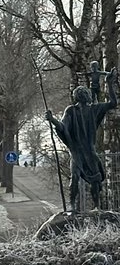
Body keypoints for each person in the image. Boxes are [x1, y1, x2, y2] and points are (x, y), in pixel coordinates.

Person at [46, 69, 115, 209]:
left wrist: (109, 82)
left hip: (89, 151)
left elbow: (113, 103)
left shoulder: (94, 109)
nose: (88, 97)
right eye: (86, 94)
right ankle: (72, 208)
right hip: (77, 152)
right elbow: (63, 126)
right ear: (82, 96)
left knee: (95, 180)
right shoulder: (71, 111)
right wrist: (52, 119)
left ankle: (97, 208)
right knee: (75, 178)